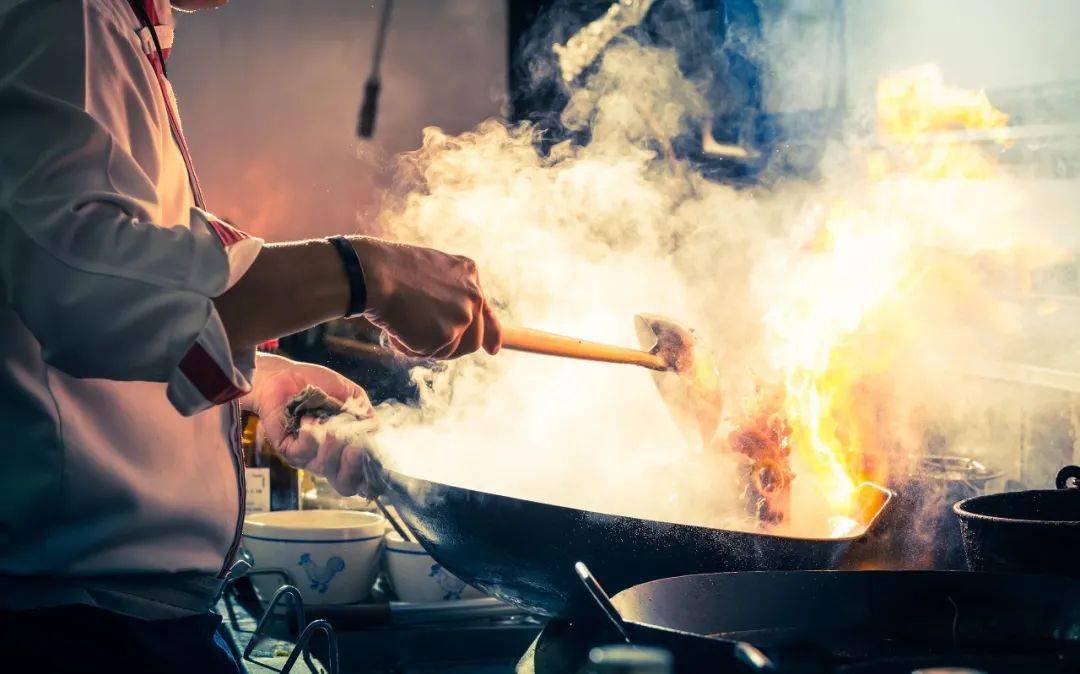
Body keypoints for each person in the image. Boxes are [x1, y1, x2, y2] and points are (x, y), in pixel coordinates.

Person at [0, 0, 502, 670]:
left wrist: (256, 384)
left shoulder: (119, 27)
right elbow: (87, 295)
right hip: (76, 633)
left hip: (128, 619)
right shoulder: (68, 13)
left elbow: (88, 309)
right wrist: (369, 272)